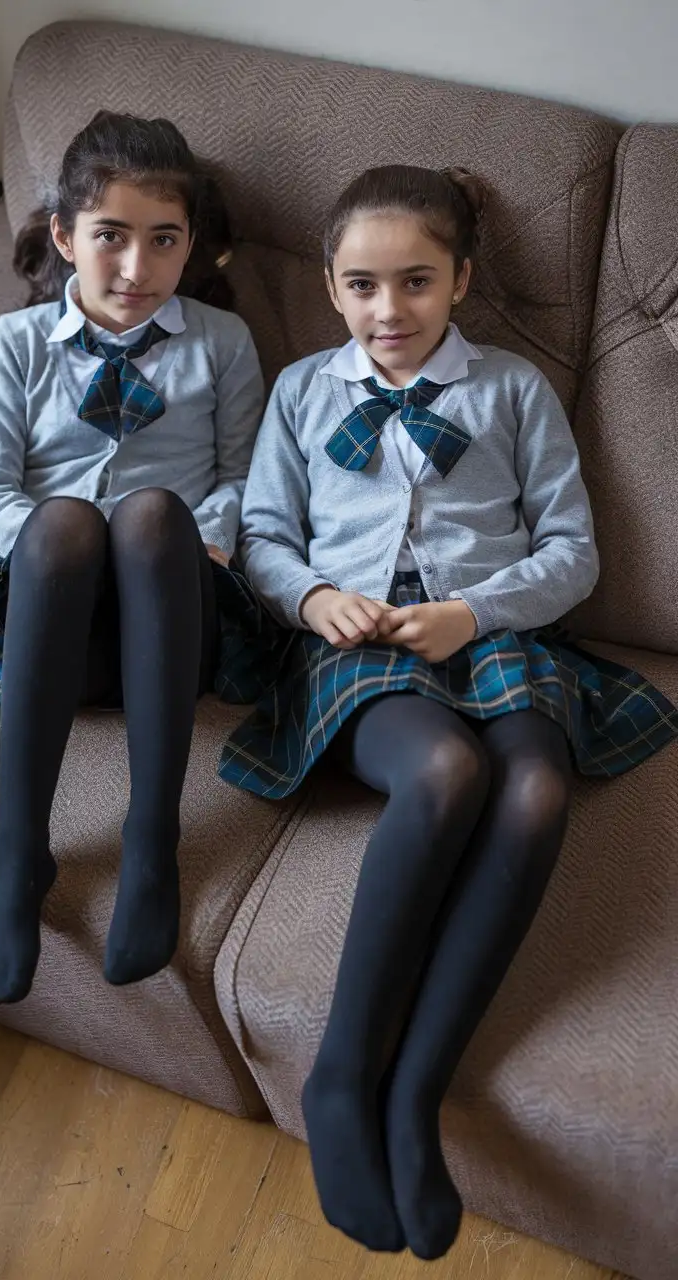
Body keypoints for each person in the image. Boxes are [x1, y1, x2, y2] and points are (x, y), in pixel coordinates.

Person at [219, 164, 678, 1260]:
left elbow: (571, 554)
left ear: (460, 280)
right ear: (332, 288)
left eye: (415, 281)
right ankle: (341, 1077)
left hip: (495, 632)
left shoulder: (512, 392)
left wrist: (473, 613)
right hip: (357, 643)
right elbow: (264, 536)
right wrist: (314, 595)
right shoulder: (300, 393)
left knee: (529, 787)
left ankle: (413, 1089)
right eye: (363, 284)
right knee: (442, 775)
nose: (389, 310)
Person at [0, 111, 264, 1007]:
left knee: (155, 516)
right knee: (65, 524)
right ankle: (20, 857)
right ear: (64, 235)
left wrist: (204, 537)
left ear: (191, 243)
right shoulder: (13, 349)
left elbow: (246, 480)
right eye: (111, 238)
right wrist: (71, 537)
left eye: (164, 241)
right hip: (57, 626)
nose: (135, 268)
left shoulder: (223, 346)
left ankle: (151, 842)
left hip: (175, 618)